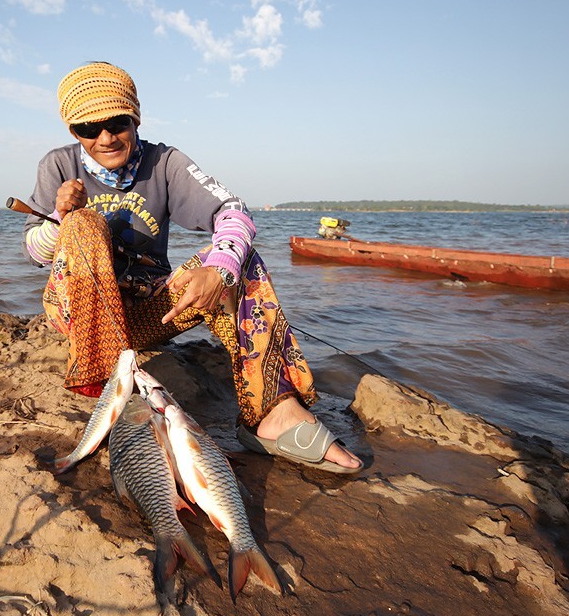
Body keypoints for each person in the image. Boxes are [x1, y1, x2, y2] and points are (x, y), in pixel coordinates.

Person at [20, 61, 361, 473]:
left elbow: (233, 212)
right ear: (73, 132)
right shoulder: (57, 166)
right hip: (79, 314)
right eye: (89, 129)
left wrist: (218, 269)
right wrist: (59, 217)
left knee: (238, 259)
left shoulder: (164, 163)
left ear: (135, 118)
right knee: (83, 222)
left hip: (146, 310)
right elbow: (35, 253)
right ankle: (105, 385)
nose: (106, 138)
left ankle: (272, 412)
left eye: (117, 123)